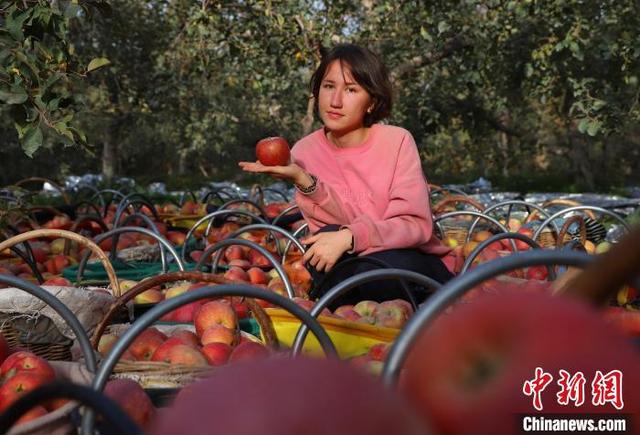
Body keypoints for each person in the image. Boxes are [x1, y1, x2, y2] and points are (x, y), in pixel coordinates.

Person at [239, 43, 453, 306]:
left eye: (351, 89)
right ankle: (357, 308)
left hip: (407, 261)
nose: (336, 100)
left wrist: (351, 237)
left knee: (370, 269)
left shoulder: (396, 142)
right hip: (354, 264)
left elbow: (414, 225)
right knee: (326, 250)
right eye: (329, 86)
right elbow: (333, 231)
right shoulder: (305, 151)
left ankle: (352, 302)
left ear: (372, 102)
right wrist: (303, 180)